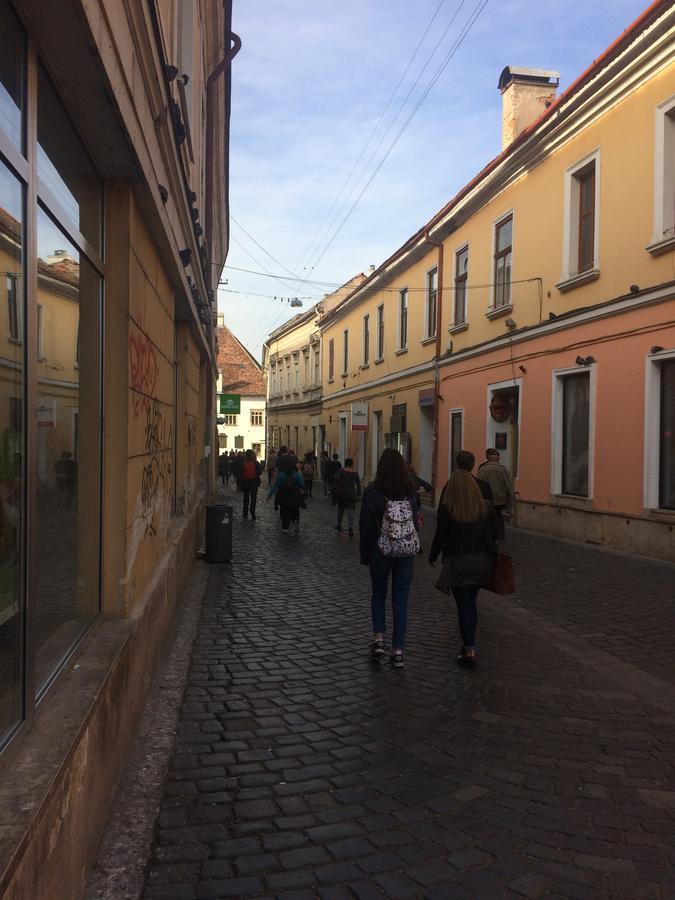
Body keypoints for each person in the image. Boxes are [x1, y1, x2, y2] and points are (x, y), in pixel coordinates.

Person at [429, 468, 499, 669]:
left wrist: (433, 555)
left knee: (464, 606)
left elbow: (440, 535)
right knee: (471, 603)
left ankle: (469, 649)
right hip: (481, 562)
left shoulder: (449, 509)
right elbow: (494, 534)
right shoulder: (486, 507)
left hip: (459, 562)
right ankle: (468, 644)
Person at [359, 448, 420, 669]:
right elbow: (414, 521)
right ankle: (398, 651)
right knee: (401, 600)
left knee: (378, 594)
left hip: (380, 550)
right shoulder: (411, 491)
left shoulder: (373, 491)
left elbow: (365, 526)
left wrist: (365, 553)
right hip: (405, 552)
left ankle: (378, 639)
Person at [477, 449, 514, 539]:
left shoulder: (482, 469)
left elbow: (477, 483)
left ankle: (487, 535)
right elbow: (509, 486)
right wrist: (510, 502)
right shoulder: (504, 469)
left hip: (486, 499)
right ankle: (499, 535)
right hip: (499, 500)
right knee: (498, 516)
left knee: (487, 518)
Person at [268, 464, 306, 533]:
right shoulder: (296, 474)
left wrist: (270, 495)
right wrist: (303, 491)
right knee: (295, 509)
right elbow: (301, 484)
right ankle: (295, 521)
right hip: (294, 494)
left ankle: (285, 528)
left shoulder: (281, 475)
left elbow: (276, 486)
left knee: (284, 511)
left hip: (283, 495)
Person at [333, 457, 361, 536]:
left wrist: (334, 488)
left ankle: (339, 524)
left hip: (342, 494)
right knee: (351, 511)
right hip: (351, 494)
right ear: (352, 464)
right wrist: (359, 494)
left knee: (340, 510)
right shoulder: (355, 472)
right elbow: (358, 484)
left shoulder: (341, 471)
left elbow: (337, 480)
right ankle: (350, 527)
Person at [241, 449, 262, 520]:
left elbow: (240, 473)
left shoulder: (243, 463)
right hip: (254, 483)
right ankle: (253, 513)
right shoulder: (256, 463)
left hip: (246, 483)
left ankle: (245, 514)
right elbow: (259, 472)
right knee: (253, 499)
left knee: (245, 498)